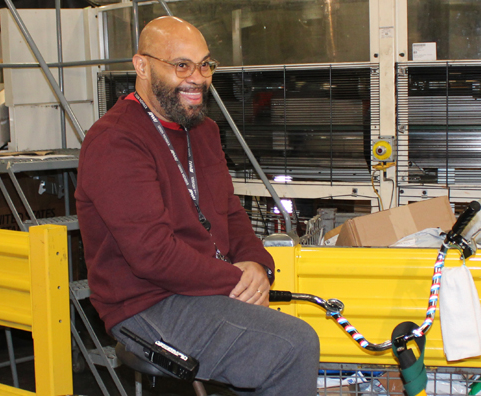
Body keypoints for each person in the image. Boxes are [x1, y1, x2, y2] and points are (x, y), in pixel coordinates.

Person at [75, 16, 319, 395]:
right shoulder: (115, 140)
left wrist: (258, 265)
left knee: (279, 337)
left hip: (203, 288)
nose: (199, 78)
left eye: (205, 65)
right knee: (293, 345)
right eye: (181, 65)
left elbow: (230, 212)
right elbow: (151, 255)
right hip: (145, 302)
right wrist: (237, 280)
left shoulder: (203, 130)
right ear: (142, 66)